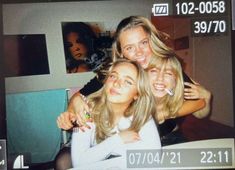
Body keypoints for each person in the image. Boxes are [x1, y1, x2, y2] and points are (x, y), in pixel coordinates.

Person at [55, 16, 211, 169]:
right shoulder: (117, 72)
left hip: (165, 138)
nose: (139, 53)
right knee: (63, 162)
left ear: (152, 40)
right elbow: (79, 96)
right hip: (117, 140)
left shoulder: (167, 68)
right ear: (121, 52)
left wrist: (169, 111)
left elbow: (200, 108)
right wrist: (73, 107)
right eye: (130, 47)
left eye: (144, 43)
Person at [71, 59, 161, 168]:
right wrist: (118, 140)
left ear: (137, 94)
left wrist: (99, 153)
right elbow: (79, 162)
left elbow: (154, 155)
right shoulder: (86, 111)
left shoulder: (141, 113)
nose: (116, 84)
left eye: (128, 81)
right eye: (113, 76)